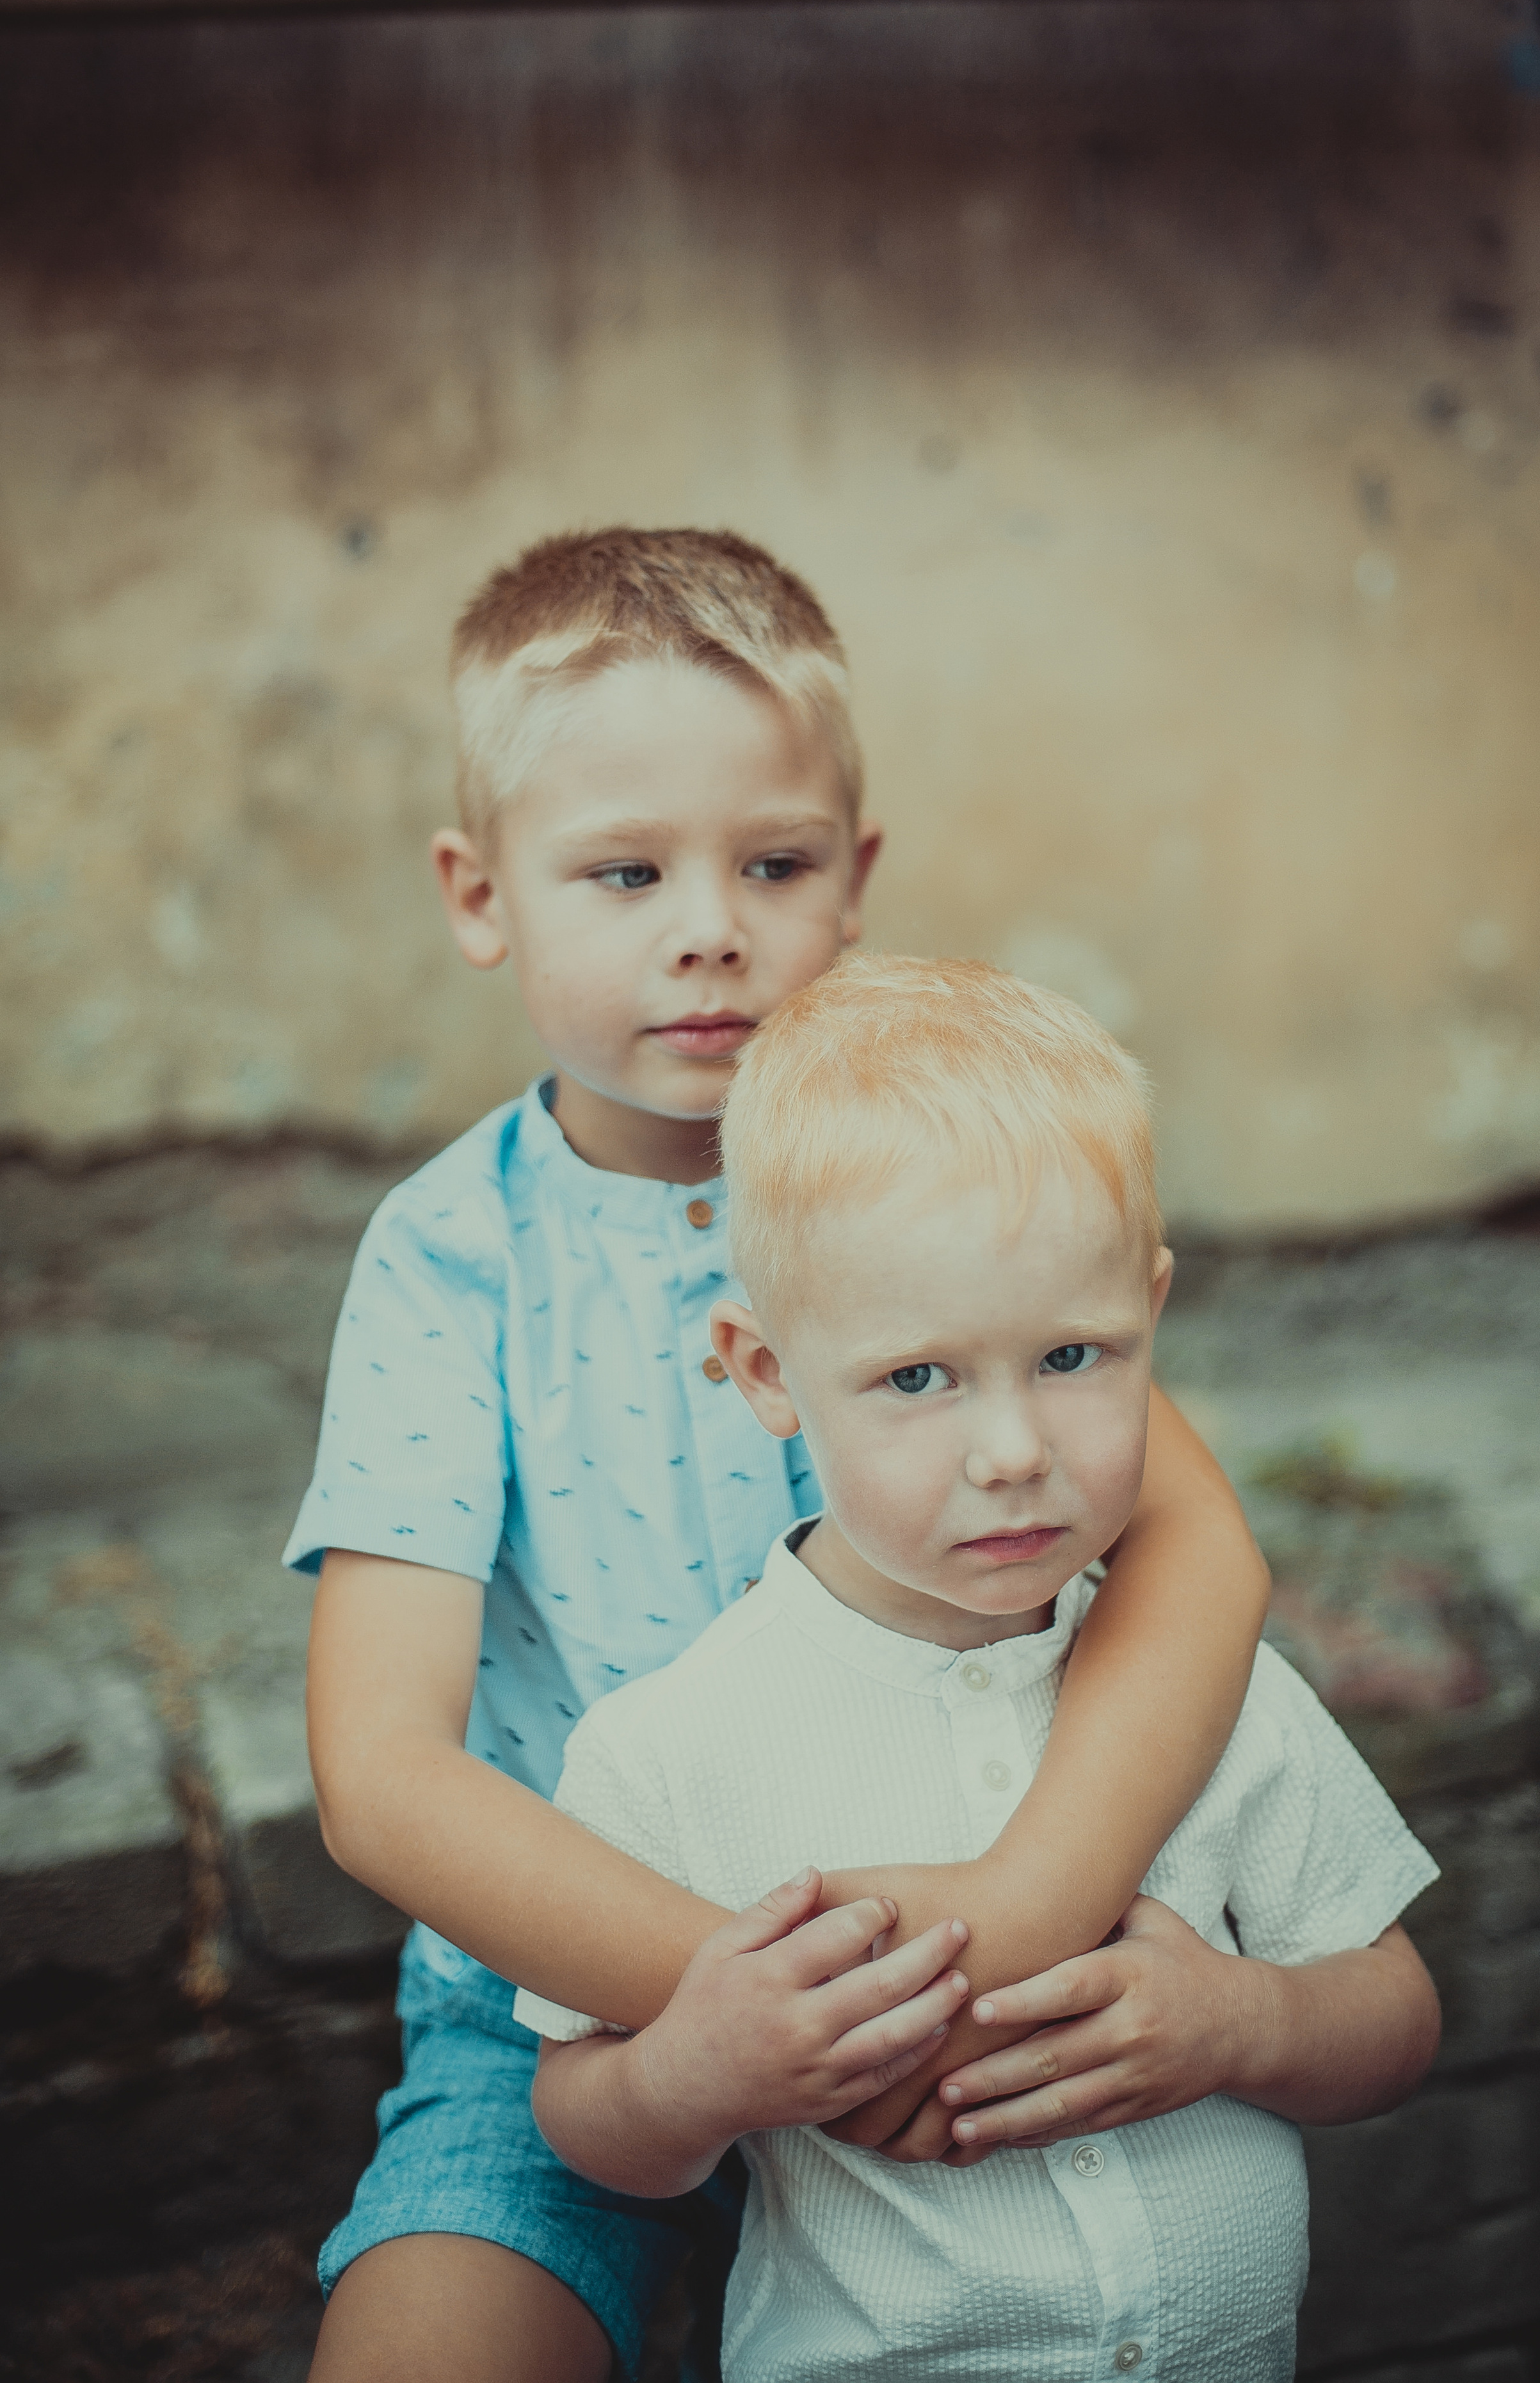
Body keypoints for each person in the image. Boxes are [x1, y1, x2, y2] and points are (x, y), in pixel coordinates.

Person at [292, 529, 1272, 2383]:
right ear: (481, 892)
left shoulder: (930, 1184)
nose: (708, 925)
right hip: (569, 2001)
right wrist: (738, 2016)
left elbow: (1200, 1552)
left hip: (959, 1961)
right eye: (624, 870)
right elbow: (384, 1775)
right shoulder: (452, 1262)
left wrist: (1020, 1911)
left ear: (858, 883)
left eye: (774, 862)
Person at [518, 956, 1442, 2383]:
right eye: (916, 1379)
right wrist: (686, 2078)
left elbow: (1394, 2019)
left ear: (1151, 1309)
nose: (1011, 1450)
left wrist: (1242, 2024)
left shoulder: (1210, 1688)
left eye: (1071, 1355)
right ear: (763, 1371)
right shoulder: (671, 1752)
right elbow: (586, 2122)